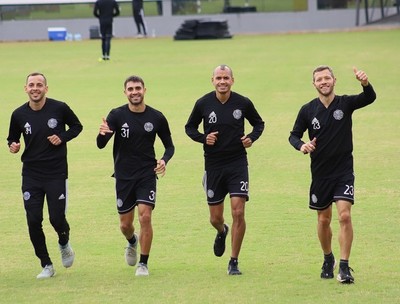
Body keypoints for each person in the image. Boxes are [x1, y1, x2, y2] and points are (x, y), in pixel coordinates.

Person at [288, 66, 376, 284]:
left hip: (343, 171)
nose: (323, 82)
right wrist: (302, 145)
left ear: (334, 80)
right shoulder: (307, 110)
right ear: (314, 84)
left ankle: (344, 267)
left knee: (344, 215)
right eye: (319, 79)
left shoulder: (345, 103)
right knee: (323, 219)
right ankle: (328, 258)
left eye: (327, 78)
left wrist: (364, 82)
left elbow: (370, 97)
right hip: (320, 174)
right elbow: (294, 135)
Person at [185, 64, 265, 275]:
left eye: (226, 78)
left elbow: (259, 124)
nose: (222, 81)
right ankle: (222, 231)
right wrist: (204, 138)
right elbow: (189, 127)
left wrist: (251, 138)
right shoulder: (203, 103)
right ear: (212, 80)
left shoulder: (243, 102)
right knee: (215, 218)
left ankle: (234, 261)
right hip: (213, 165)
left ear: (232, 80)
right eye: (218, 78)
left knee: (238, 211)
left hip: (238, 163)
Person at [7, 72, 83, 279]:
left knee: (57, 218)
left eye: (39, 85)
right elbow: (12, 138)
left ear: (46, 89)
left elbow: (77, 126)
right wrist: (13, 146)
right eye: (31, 85)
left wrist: (62, 136)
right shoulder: (18, 114)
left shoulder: (59, 108)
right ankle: (46, 264)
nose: (35, 88)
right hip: (31, 174)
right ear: (25, 88)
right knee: (33, 220)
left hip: (56, 173)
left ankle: (64, 242)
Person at [96, 75, 175, 276]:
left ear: (144, 90)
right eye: (130, 89)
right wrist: (103, 133)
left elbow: (169, 146)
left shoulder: (156, 117)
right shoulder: (116, 115)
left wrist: (164, 160)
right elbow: (100, 144)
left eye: (137, 88)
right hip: (123, 176)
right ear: (125, 93)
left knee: (145, 217)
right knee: (125, 225)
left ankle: (144, 263)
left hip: (146, 175)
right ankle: (132, 241)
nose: (134, 92)